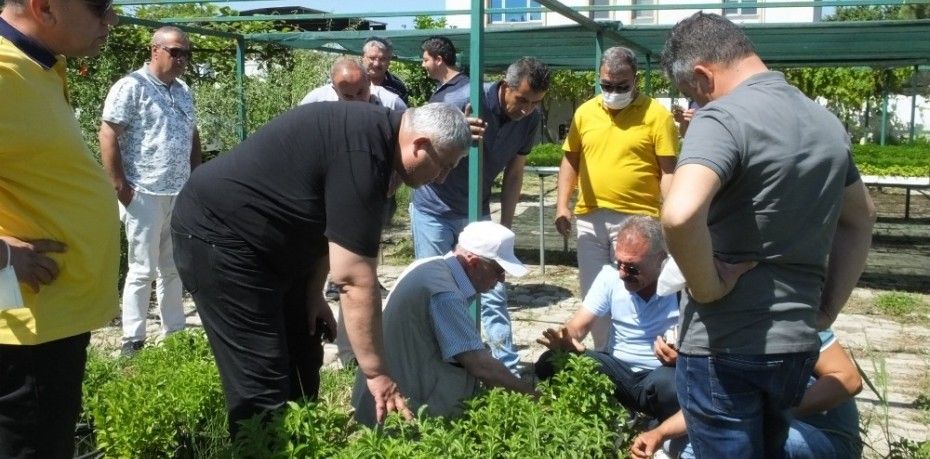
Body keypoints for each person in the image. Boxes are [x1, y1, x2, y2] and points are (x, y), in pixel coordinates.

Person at [171, 102, 471, 436]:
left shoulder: (382, 144)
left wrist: (313, 294)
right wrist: (377, 373)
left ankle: (303, 442)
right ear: (420, 145)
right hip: (221, 239)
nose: (442, 178)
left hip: (276, 245)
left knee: (304, 350)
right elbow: (355, 280)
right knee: (263, 380)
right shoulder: (363, 153)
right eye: (443, 166)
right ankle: (262, 446)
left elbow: (333, 231)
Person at [659, 12, 876, 457]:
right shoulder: (825, 122)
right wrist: (827, 309)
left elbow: (679, 215)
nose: (694, 105)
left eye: (690, 95)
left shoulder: (720, 119)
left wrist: (709, 286)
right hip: (795, 343)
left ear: (702, 75)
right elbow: (861, 219)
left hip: (722, 344)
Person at [0, 0, 119, 456]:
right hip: (26, 333)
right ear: (45, 7)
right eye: (100, 6)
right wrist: (6, 255)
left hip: (51, 320)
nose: (111, 19)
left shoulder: (38, 66)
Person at [410, 57, 549, 373]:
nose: (526, 109)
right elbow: (417, 136)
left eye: (535, 103)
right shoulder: (461, 100)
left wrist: (506, 230)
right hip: (434, 206)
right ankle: (438, 366)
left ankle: (507, 368)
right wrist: (455, 129)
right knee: (437, 288)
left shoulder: (530, 119)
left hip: (477, 210)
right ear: (505, 85)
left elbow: (515, 174)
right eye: (522, 100)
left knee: (493, 290)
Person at [554, 46, 679, 352]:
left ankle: (639, 356)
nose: (612, 93)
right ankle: (605, 362)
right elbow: (570, 160)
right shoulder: (585, 112)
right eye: (606, 86)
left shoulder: (656, 115)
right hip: (590, 218)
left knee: (637, 295)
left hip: (638, 220)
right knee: (594, 298)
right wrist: (562, 205)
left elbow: (669, 172)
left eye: (621, 87)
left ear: (635, 80)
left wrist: (672, 218)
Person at [352, 221, 535, 425]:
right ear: (473, 262)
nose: (502, 279)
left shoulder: (429, 265)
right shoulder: (445, 294)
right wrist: (533, 396)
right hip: (405, 415)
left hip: (388, 400)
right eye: (499, 270)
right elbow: (480, 366)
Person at [100, 26, 202, 356]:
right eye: (174, 51)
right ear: (154, 50)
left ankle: (175, 331)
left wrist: (196, 178)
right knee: (142, 269)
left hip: (179, 191)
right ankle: (133, 337)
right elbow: (108, 134)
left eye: (185, 52)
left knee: (173, 267)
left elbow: (192, 134)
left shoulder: (183, 89)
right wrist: (120, 185)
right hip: (142, 191)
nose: (181, 58)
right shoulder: (131, 87)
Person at [630, 329, 863, 459]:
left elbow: (849, 379)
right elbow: (717, 406)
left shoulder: (794, 319)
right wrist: (659, 434)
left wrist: (776, 411)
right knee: (678, 442)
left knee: (717, 447)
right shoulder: (729, 327)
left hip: (828, 439)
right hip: (772, 429)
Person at [535, 216, 679, 421]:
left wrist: (680, 359)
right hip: (618, 371)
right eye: (618, 262)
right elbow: (578, 325)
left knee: (672, 384)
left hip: (659, 374)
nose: (622, 273)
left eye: (631, 267)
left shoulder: (682, 286)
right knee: (549, 362)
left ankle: (664, 425)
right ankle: (605, 412)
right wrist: (566, 339)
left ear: (660, 259)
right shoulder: (610, 277)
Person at [299, 55, 406, 110]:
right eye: (348, 96)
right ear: (335, 90)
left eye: (360, 92)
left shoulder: (391, 103)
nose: (357, 101)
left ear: (368, 81)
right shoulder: (317, 101)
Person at [422, 35, 469, 106]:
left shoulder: (465, 89)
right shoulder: (442, 87)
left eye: (426, 60)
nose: (423, 65)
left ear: (438, 60)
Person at [362, 36, 409, 105]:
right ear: (363, 57)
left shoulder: (398, 87)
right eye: (372, 58)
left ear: (389, 61)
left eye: (382, 59)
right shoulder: (351, 81)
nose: (376, 64)